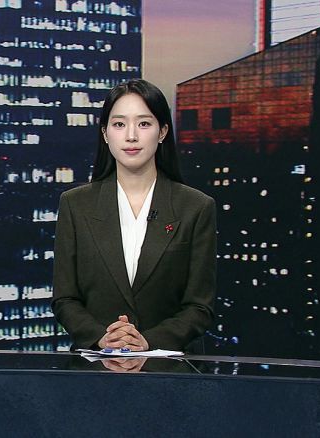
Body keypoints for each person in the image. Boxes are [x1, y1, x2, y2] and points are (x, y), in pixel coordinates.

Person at [51, 79, 216, 352]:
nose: (131, 136)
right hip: (96, 365)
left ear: (162, 132)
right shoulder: (75, 204)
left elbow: (199, 307)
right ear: (105, 134)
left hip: (168, 367)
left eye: (144, 124)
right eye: (119, 124)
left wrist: (148, 341)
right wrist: (103, 338)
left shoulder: (196, 207)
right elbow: (65, 299)